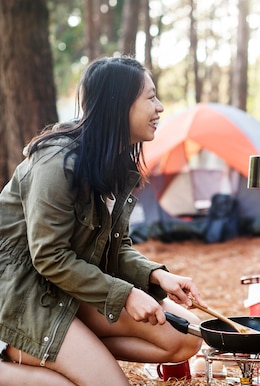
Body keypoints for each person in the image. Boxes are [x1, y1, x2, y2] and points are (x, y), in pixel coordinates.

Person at [0, 56, 205, 385]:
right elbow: (49, 257)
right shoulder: (56, 162)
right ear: (118, 103)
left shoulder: (113, 163)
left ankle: (75, 357)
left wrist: (155, 275)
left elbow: (116, 247)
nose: (161, 107)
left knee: (186, 339)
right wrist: (125, 295)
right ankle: (22, 360)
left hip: (69, 290)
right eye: (150, 97)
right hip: (23, 299)